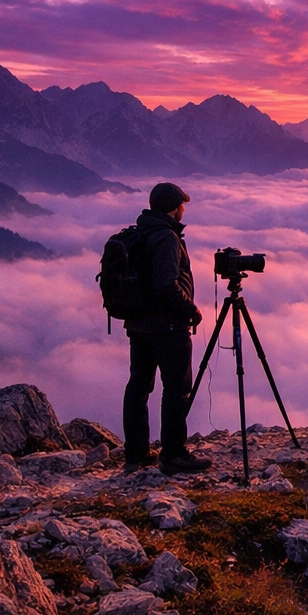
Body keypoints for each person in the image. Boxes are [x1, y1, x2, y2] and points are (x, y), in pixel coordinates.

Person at [122, 182, 212, 475]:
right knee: (176, 390)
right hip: (168, 327)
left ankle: (135, 454)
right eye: (182, 205)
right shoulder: (167, 237)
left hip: (139, 325)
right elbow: (166, 284)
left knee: (139, 386)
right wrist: (190, 310)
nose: (183, 210)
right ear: (174, 208)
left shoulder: (142, 231)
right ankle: (173, 455)